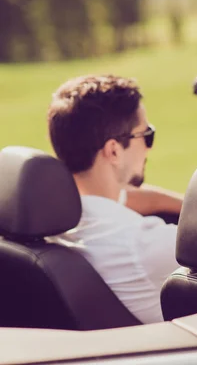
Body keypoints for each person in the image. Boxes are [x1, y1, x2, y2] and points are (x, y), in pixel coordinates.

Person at [45, 74, 183, 324]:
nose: (149, 148)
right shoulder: (144, 245)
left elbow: (126, 198)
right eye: (146, 135)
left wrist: (186, 206)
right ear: (114, 151)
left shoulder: (52, 221)